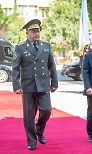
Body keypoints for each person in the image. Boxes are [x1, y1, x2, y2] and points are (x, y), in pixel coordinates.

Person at [12, 19, 58, 150]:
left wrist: (54, 82)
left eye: (38, 31)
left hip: (43, 84)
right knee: (29, 116)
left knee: (47, 110)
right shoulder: (20, 48)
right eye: (33, 31)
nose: (36, 33)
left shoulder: (46, 45)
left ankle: (39, 130)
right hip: (28, 85)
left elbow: (51, 65)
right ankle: (31, 141)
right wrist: (16, 85)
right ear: (27, 32)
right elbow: (15, 67)